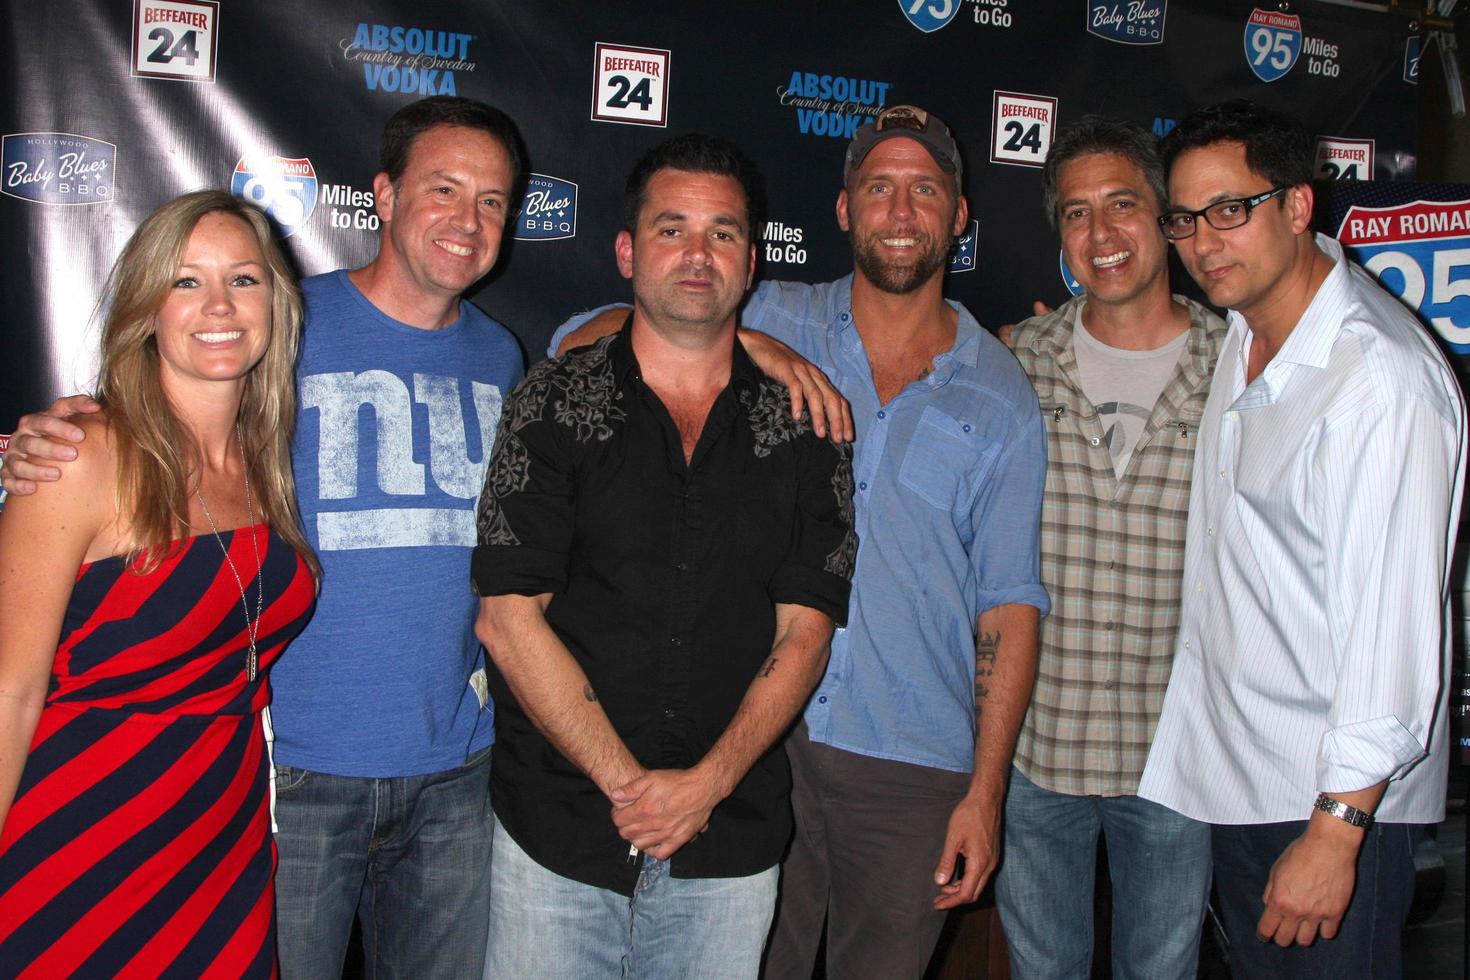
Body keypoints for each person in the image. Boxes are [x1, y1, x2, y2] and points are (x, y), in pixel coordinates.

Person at [0, 96, 527, 976]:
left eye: (493, 201)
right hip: (288, 776)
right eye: (443, 189)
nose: (467, 222)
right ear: (385, 196)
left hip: (450, 773)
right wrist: (53, 440)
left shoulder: (500, 355)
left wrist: (759, 343)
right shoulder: (286, 324)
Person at [554, 104, 1048, 978]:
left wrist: (986, 792)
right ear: (844, 210)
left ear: (960, 216)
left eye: (925, 190)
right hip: (757, 740)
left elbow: (1008, 601)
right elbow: (581, 344)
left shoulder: (1000, 389)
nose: (901, 211)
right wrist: (742, 341)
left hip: (913, 763)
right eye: (879, 188)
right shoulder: (771, 311)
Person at [473, 133, 856, 979]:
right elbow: (506, 619)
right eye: (671, 228)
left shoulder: (807, 428)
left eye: (722, 233)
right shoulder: (551, 399)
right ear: (626, 250)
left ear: (751, 263)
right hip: (558, 834)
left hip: (730, 843)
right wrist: (632, 790)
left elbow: (807, 634)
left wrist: (706, 785)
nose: (697, 253)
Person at [1138, 100, 1466, 978]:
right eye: (1185, 219)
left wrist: (1336, 831)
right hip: (1247, 782)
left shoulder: (1377, 382)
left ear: (1297, 207)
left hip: (1330, 806)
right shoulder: (1248, 328)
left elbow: (1392, 632)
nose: (1205, 242)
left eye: (1231, 210)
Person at [0, 190, 317, 974]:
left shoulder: (263, 462)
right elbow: (9, 691)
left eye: (244, 280)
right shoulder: (83, 456)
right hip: (82, 840)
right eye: (186, 282)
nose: (219, 305)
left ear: (275, 302)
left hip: (221, 839)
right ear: (147, 307)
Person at [993, 116, 1223, 979]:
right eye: (1078, 213)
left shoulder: (1237, 366)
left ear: (1165, 218)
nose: (1101, 234)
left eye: (1122, 205)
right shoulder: (1017, 360)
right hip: (1033, 748)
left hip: (1175, 755)